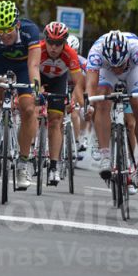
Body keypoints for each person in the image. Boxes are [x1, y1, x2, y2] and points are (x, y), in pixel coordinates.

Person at [0, 0, 41, 190]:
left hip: (24, 66)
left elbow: (34, 66)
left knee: (28, 110)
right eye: (0, 30)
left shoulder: (30, 31)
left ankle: (22, 163)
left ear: (17, 24)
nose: (4, 35)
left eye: (8, 30)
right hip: (1, 61)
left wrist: (36, 89)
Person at [85, 30, 138, 190]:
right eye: (114, 65)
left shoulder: (137, 47)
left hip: (132, 71)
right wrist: (89, 105)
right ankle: (105, 156)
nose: (117, 69)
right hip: (105, 72)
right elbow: (90, 85)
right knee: (101, 100)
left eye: (120, 65)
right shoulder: (96, 51)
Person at [39, 22, 85, 184]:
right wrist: (36, 89)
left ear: (64, 43)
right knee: (29, 109)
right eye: (50, 42)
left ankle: (53, 166)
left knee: (55, 121)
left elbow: (78, 83)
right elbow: (29, 69)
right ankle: (30, 150)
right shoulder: (39, 49)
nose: (53, 47)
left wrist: (76, 99)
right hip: (38, 77)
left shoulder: (70, 54)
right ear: (45, 40)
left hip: (58, 81)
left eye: (58, 44)